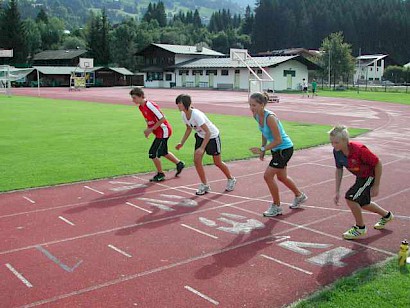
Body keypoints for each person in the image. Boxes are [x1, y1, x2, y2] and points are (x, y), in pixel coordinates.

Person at [329, 125, 393, 240]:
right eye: (332, 142)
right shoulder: (337, 152)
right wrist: (337, 191)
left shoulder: (359, 150)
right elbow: (339, 170)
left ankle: (360, 228)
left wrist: (376, 185)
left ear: (345, 140)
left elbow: (378, 163)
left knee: (351, 197)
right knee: (363, 203)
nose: (333, 145)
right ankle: (387, 215)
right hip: (360, 177)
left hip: (369, 176)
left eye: (336, 142)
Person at [249, 92, 307, 217]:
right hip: (277, 149)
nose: (251, 108)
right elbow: (264, 132)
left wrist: (262, 149)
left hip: (284, 149)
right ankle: (299, 195)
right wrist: (263, 149)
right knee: (281, 177)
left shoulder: (270, 117)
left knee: (268, 176)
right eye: (250, 105)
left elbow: (278, 140)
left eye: (254, 105)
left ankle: (276, 206)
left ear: (262, 104)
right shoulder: (256, 115)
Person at [175, 94, 236, 195]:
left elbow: (208, 132)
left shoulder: (196, 115)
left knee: (217, 162)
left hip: (212, 136)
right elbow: (188, 128)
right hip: (200, 136)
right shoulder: (183, 114)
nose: (178, 105)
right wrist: (182, 143)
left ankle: (231, 179)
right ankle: (205, 185)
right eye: (177, 103)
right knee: (197, 160)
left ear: (186, 104)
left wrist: (202, 148)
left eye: (179, 103)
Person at [130, 87, 184, 182]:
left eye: (134, 98)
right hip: (158, 131)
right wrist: (148, 129)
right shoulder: (141, 107)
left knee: (152, 153)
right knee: (163, 152)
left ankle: (160, 174)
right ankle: (179, 163)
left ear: (141, 96)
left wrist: (151, 129)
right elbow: (149, 120)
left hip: (164, 130)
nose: (133, 100)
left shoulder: (149, 105)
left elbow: (163, 118)